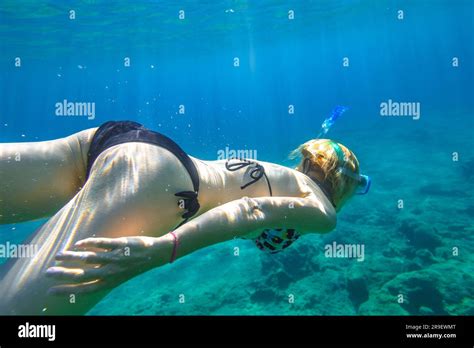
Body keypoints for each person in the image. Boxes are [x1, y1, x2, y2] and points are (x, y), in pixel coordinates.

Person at [0, 121, 370, 315]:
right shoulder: (323, 212)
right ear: (345, 184)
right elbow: (250, 211)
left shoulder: (288, 176)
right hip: (164, 185)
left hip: (118, 141)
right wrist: (167, 248)